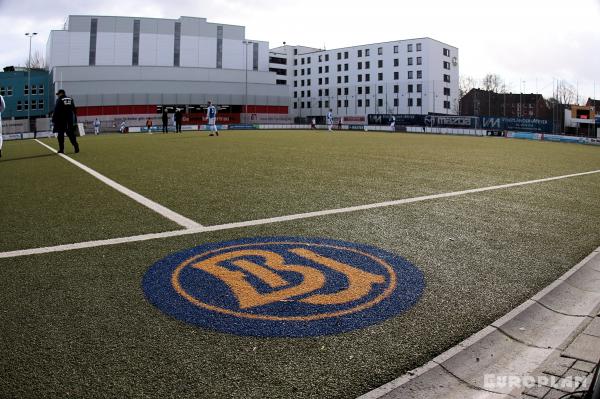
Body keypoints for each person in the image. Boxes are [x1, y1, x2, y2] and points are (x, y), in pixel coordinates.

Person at [52, 89, 79, 154]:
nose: (58, 95)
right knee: (71, 134)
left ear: (61, 93)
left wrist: (53, 119)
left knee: (60, 135)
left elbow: (56, 110)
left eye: (58, 94)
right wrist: (74, 120)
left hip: (61, 121)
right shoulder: (70, 99)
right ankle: (76, 146)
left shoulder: (59, 100)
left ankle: (61, 149)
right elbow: (74, 110)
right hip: (69, 121)